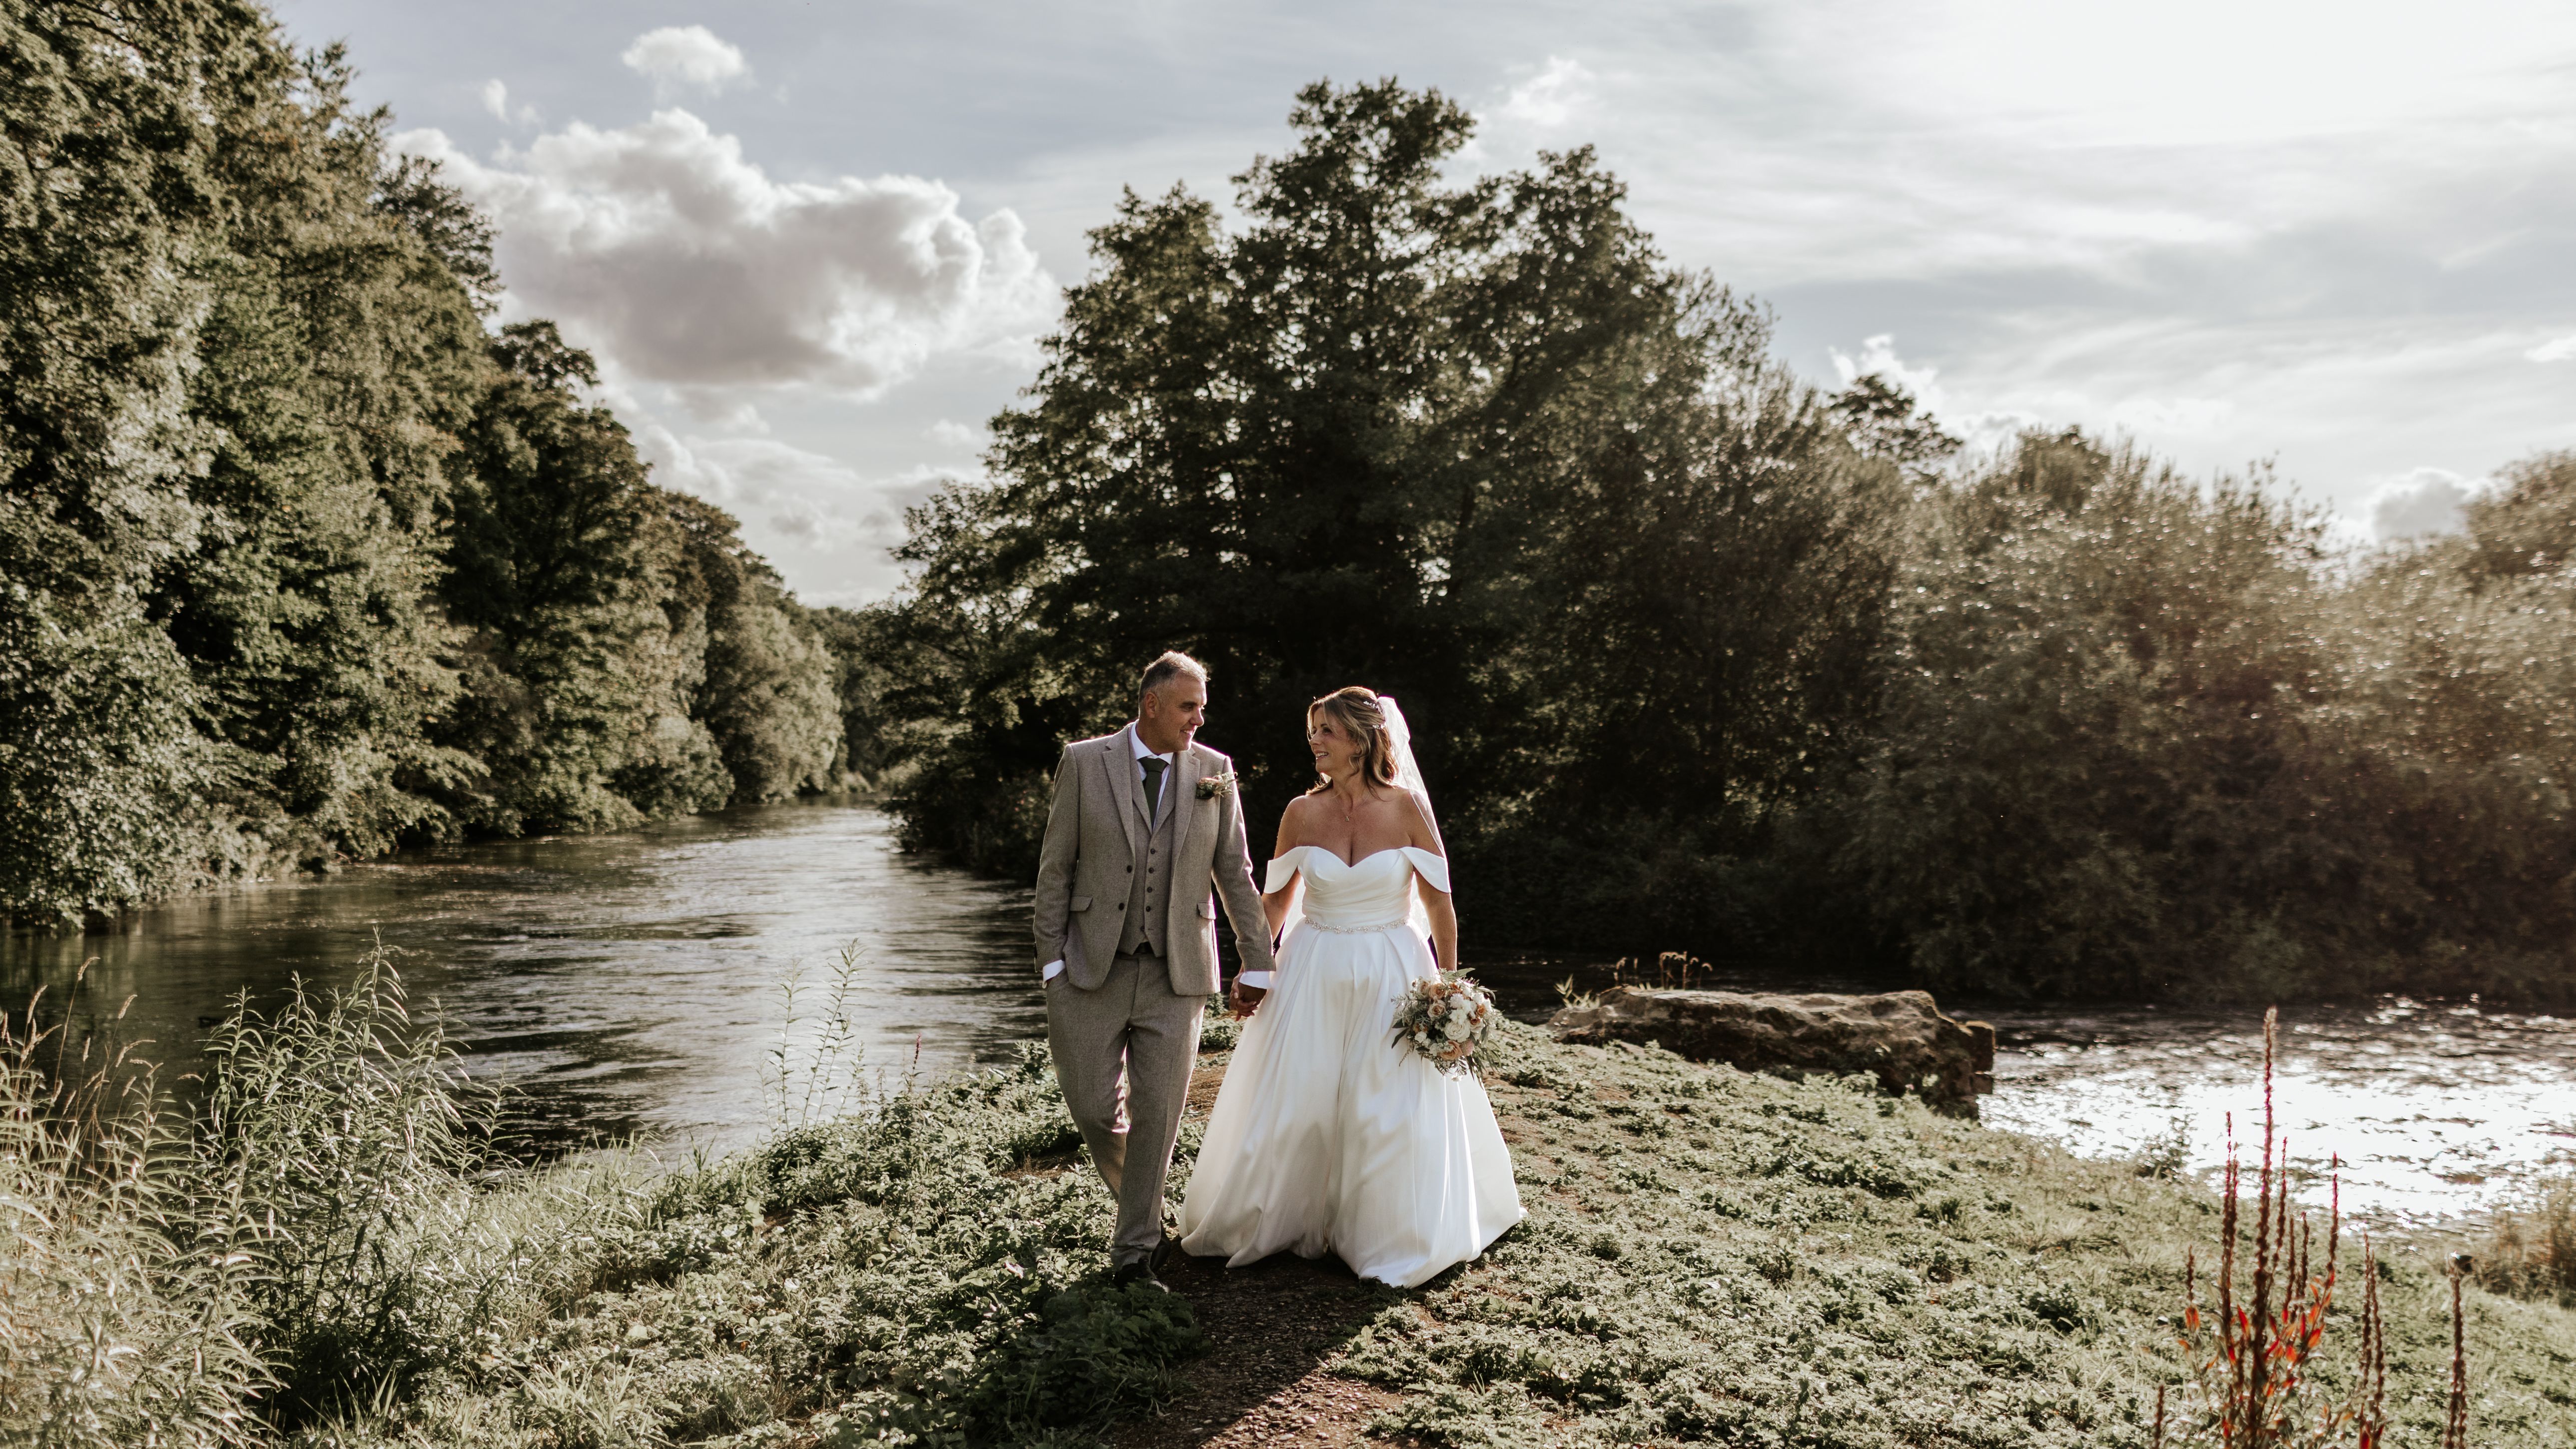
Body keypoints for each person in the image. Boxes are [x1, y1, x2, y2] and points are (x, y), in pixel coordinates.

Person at [1177, 687, 1523, 1287]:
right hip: (1312, 966)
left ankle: (1382, 1232)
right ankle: (1287, 1218)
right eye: (1311, 730)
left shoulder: (1407, 808)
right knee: (1300, 1097)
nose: (1314, 741)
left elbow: (1440, 907)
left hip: (1393, 967)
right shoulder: (1299, 812)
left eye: (1326, 731)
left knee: (1384, 1106)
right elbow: (1275, 903)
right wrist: (1254, 968)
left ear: (1363, 740)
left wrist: (1448, 986)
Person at [1031, 651, 1276, 1290]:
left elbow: (1235, 872)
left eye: (1201, 706)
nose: (1199, 718)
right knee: (1090, 1108)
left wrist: (1259, 960)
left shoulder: (1213, 771)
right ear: (1152, 705)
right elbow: (1055, 867)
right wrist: (1052, 962)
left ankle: (1135, 1252)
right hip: (1089, 969)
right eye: (1189, 706)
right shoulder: (1085, 762)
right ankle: (1143, 1210)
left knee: (1159, 1114)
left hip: (1178, 974)